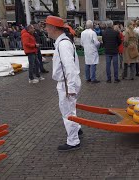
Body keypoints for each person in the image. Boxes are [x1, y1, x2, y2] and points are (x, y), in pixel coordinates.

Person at [45, 16, 82, 151]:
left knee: (67, 112)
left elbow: (69, 67)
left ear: (54, 28)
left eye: (47, 26)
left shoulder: (63, 44)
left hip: (66, 83)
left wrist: (70, 87)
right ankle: (76, 129)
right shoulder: (64, 42)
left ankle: (73, 141)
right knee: (70, 108)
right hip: (68, 82)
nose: (46, 29)